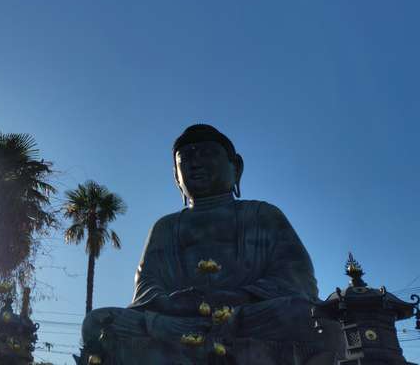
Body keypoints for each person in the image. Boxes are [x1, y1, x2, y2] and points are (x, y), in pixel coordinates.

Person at [78, 124, 342, 365]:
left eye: (207, 154)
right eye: (186, 159)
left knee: (308, 316)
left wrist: (236, 298)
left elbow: (297, 280)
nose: (195, 164)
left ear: (236, 167)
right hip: (178, 322)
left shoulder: (262, 214)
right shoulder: (166, 227)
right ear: (176, 177)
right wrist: (176, 305)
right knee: (97, 323)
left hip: (247, 316)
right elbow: (147, 287)